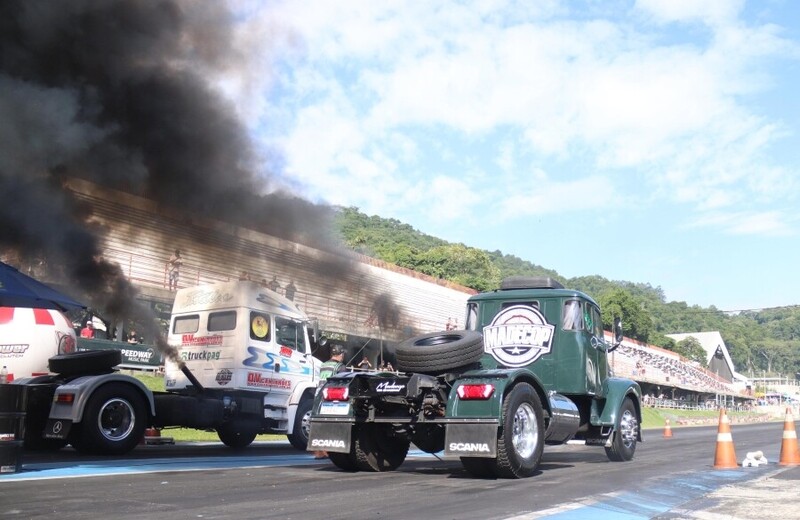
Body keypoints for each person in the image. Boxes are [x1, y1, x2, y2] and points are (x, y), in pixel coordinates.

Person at [314, 345, 347, 459]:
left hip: (319, 395)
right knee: (333, 424)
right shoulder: (340, 366)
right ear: (341, 354)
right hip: (331, 397)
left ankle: (319, 452)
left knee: (319, 424)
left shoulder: (324, 364)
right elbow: (342, 383)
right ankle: (331, 451)